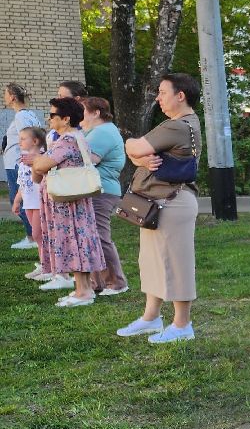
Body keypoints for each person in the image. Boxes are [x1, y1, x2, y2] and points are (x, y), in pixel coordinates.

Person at [117, 73, 203, 343]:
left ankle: (182, 325)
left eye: (163, 92)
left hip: (172, 202)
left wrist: (136, 152)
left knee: (177, 264)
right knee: (152, 261)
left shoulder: (176, 127)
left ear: (181, 96)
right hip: (160, 202)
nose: (158, 98)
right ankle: (151, 317)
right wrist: (141, 160)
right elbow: (136, 152)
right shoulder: (179, 124)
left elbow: (133, 144)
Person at [29, 96, 106, 308]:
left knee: (74, 242)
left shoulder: (68, 140)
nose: (49, 118)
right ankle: (82, 288)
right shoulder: (72, 138)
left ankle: (84, 292)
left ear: (66, 119)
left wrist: (36, 160)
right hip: (67, 202)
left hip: (69, 205)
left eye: (53, 115)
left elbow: (42, 165)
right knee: (73, 241)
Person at [80, 97, 129, 297]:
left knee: (100, 237)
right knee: (91, 237)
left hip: (102, 190)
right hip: (96, 189)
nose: (79, 116)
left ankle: (117, 282)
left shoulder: (104, 131)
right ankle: (98, 282)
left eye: (82, 111)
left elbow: (89, 159)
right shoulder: (95, 131)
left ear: (96, 112)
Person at [4, 83, 41, 249]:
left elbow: (29, 138)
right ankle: (35, 235)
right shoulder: (28, 114)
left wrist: (26, 160)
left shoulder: (21, 117)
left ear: (12, 97)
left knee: (19, 199)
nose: (4, 97)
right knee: (24, 199)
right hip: (18, 162)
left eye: (5, 94)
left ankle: (33, 237)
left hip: (17, 164)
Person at [9, 126, 46, 263]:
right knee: (37, 236)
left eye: (23, 139)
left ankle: (48, 266)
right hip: (29, 202)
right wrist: (17, 201)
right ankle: (44, 265)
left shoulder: (43, 157)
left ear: (35, 141)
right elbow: (22, 183)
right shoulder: (23, 161)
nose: (20, 142)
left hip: (39, 202)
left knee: (38, 235)